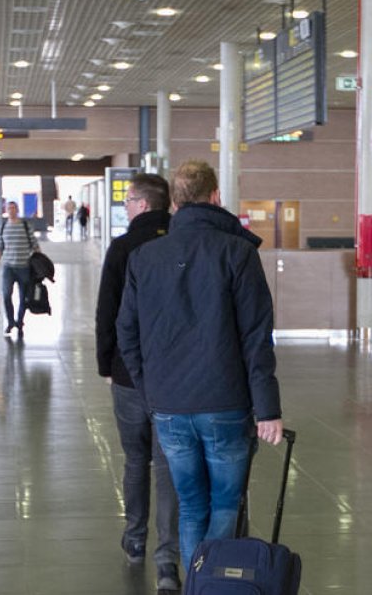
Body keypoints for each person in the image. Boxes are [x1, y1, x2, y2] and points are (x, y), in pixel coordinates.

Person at [117, 160, 283, 573]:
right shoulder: (239, 252)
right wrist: (268, 410)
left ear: (174, 202)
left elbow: (127, 334)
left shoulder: (144, 257)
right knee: (225, 505)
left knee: (191, 505)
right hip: (226, 403)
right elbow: (256, 337)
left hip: (169, 406)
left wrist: (150, 389)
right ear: (216, 197)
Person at [95, 174, 180, 590]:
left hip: (129, 373)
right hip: (174, 375)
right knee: (167, 464)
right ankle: (167, 560)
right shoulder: (182, 244)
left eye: (129, 201)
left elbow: (107, 311)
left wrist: (105, 363)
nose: (126, 207)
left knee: (135, 459)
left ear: (143, 205)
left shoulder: (124, 247)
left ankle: (134, 540)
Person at [0, 201, 39, 339]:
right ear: (7, 210)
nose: (11, 210)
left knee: (23, 297)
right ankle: (11, 321)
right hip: (8, 268)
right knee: (6, 295)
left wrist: (41, 262)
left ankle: (20, 321)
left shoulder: (25, 226)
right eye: (9, 208)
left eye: (13, 208)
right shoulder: (3, 227)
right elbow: (0, 247)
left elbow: (35, 245)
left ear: (17, 210)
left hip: (24, 267)